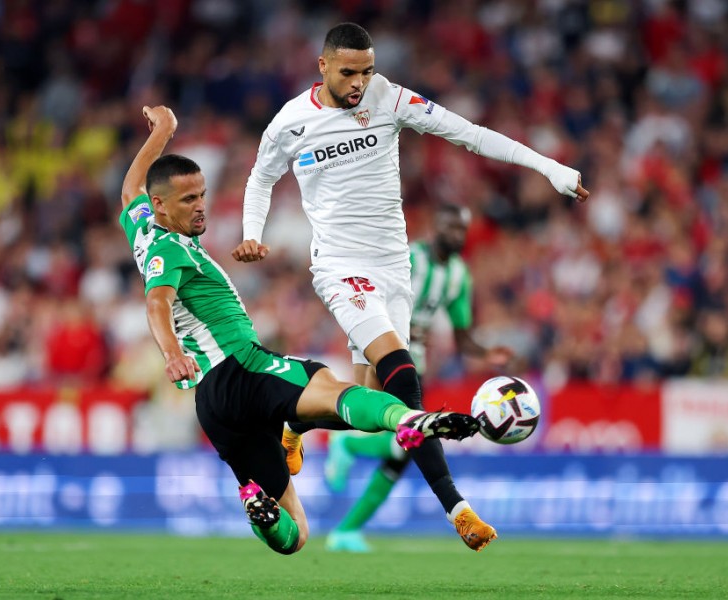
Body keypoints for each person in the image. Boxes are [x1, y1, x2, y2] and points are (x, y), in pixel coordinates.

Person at [232, 23, 589, 551]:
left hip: (395, 270)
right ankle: (458, 508)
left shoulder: (390, 98)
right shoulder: (291, 122)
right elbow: (261, 179)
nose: (359, 83)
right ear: (323, 66)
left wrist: (547, 167)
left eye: (367, 71)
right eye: (348, 72)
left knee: (371, 413)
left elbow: (469, 132)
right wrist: (251, 235)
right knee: (404, 379)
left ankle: (294, 420)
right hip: (340, 267)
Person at [119, 105, 480, 555]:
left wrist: (164, 131)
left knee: (295, 533)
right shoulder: (171, 252)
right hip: (243, 366)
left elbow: (130, 187)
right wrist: (171, 354)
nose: (200, 207)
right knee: (327, 385)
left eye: (202, 195)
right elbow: (157, 301)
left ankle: (259, 510)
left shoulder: (142, 229)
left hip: (212, 404)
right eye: (188, 200)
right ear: (161, 205)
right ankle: (412, 419)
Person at [324, 202, 513, 552]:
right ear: (434, 226)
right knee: (407, 438)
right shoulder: (409, 259)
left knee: (400, 455)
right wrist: (399, 327)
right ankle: (347, 444)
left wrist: (486, 353)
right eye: (449, 226)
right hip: (388, 354)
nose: (455, 235)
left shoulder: (458, 275)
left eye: (461, 230)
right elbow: (375, 298)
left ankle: (346, 531)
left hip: (418, 365)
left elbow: (461, 334)